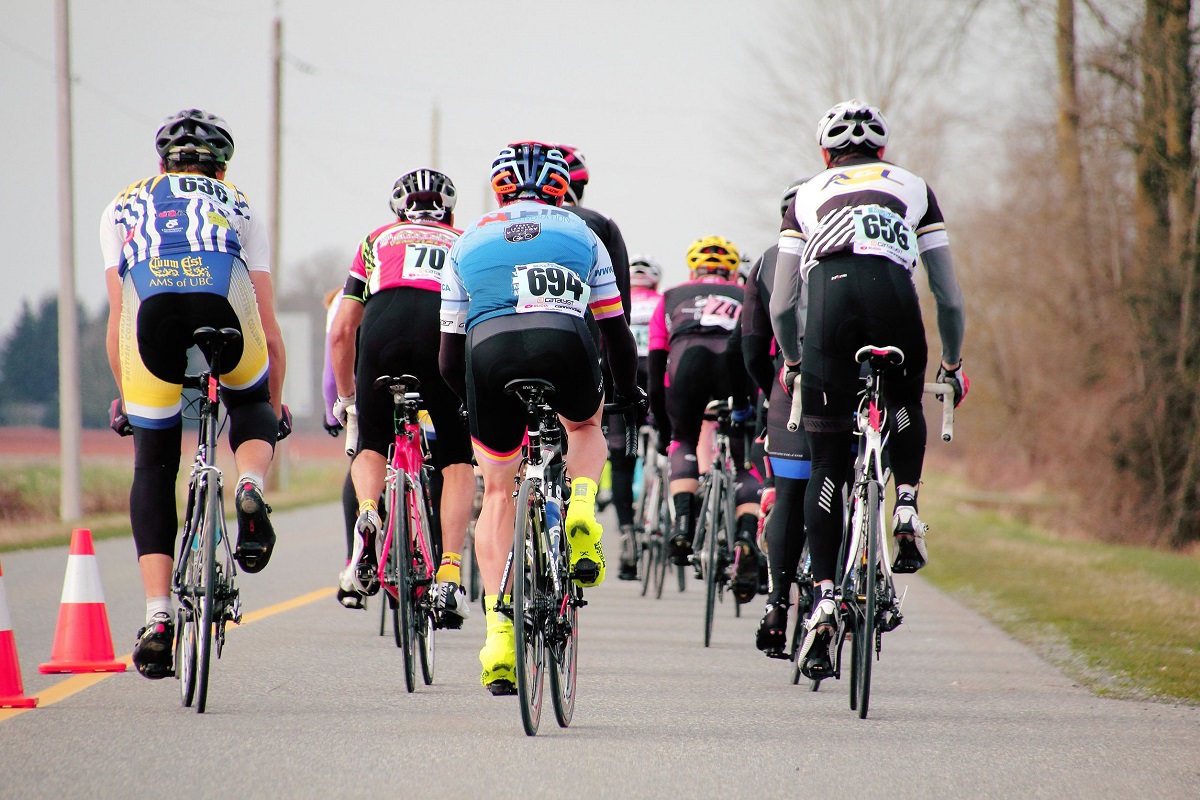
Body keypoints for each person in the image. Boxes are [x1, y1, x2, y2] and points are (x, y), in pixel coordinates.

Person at [769, 100, 968, 678]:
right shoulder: (914, 187)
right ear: (883, 151)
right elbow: (949, 296)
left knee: (829, 457)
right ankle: (906, 504)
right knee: (903, 402)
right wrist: (952, 365)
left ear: (826, 154)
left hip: (828, 304)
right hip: (894, 298)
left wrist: (795, 360)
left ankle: (827, 593)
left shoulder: (807, 193)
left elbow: (783, 302)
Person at [439, 141, 641, 694]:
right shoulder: (585, 235)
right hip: (565, 346)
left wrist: (473, 402)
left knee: (498, 491)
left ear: (498, 190)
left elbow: (448, 358)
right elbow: (617, 335)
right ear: (565, 190)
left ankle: (499, 635)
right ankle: (580, 508)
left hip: (489, 353)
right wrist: (629, 393)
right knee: (584, 426)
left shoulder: (467, 240)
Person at [102, 108, 288, 679]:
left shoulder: (122, 205)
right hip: (224, 305)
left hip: (150, 316)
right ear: (222, 170)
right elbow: (269, 322)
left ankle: (159, 617)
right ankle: (250, 486)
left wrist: (125, 398)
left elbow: (117, 319)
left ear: (161, 164)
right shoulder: (238, 205)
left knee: (154, 464)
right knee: (248, 401)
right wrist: (272, 407)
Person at [328, 168, 475, 629]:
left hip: (381, 328)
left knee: (372, 445)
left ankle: (368, 517)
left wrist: (348, 399)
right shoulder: (465, 240)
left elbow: (341, 331)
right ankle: (449, 571)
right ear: (448, 209)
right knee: (456, 462)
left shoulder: (377, 239)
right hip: (439, 332)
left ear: (399, 211)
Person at [647, 236, 763, 603]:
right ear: (731, 270)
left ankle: (683, 524)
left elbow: (654, 362)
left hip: (687, 364)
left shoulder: (671, 296)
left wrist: (665, 425)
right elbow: (762, 347)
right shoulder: (748, 293)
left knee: (683, 441)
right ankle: (745, 535)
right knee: (745, 456)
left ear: (692, 269)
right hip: (734, 367)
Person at [743, 179, 814, 656]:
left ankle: (776, 606)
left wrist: (768, 385)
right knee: (847, 481)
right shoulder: (864, 248)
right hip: (861, 383)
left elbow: (750, 341)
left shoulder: (770, 258)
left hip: (794, 385)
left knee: (790, 492)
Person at [609, 255, 665, 579]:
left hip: (624, 376)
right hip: (656, 374)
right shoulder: (661, 301)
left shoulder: (619, 300)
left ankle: (628, 532)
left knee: (620, 460)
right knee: (668, 439)